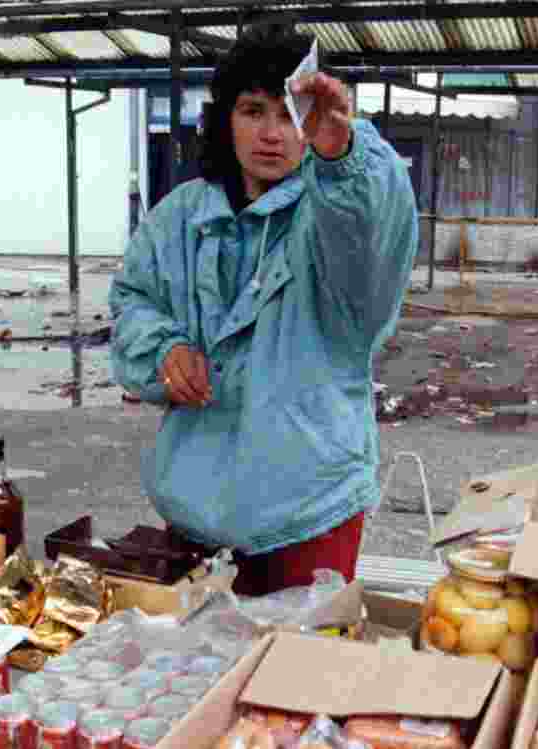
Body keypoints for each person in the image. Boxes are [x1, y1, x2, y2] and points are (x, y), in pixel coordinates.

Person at [108, 23, 418, 597]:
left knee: (297, 653)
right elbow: (133, 299)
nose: (272, 134)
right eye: (253, 110)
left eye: (290, 114)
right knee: (194, 650)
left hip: (310, 513)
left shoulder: (336, 215)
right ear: (225, 119)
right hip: (196, 509)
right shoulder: (180, 216)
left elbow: (373, 240)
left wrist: (343, 156)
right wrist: (163, 348)